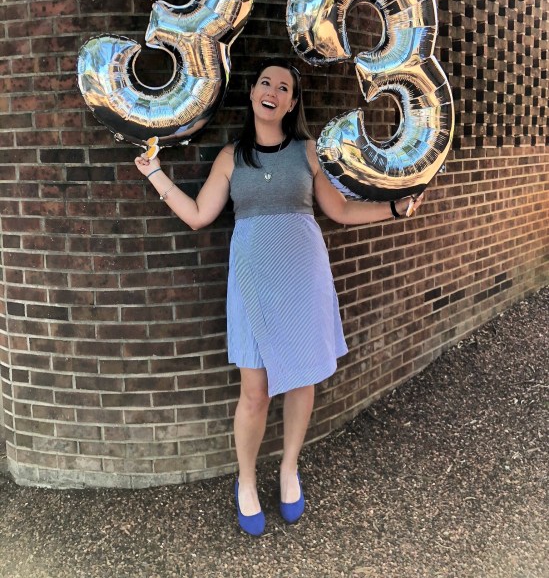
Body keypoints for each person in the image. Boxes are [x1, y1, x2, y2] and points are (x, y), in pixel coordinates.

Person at [134, 57, 424, 536]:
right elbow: (199, 215)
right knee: (255, 392)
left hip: (302, 277)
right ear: (252, 94)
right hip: (252, 279)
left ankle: (289, 468)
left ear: (291, 103)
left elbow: (341, 211)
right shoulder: (231, 157)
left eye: (283, 87)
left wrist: (393, 209)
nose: (272, 91)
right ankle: (246, 480)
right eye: (265, 83)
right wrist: (155, 174)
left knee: (302, 379)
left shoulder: (308, 152)